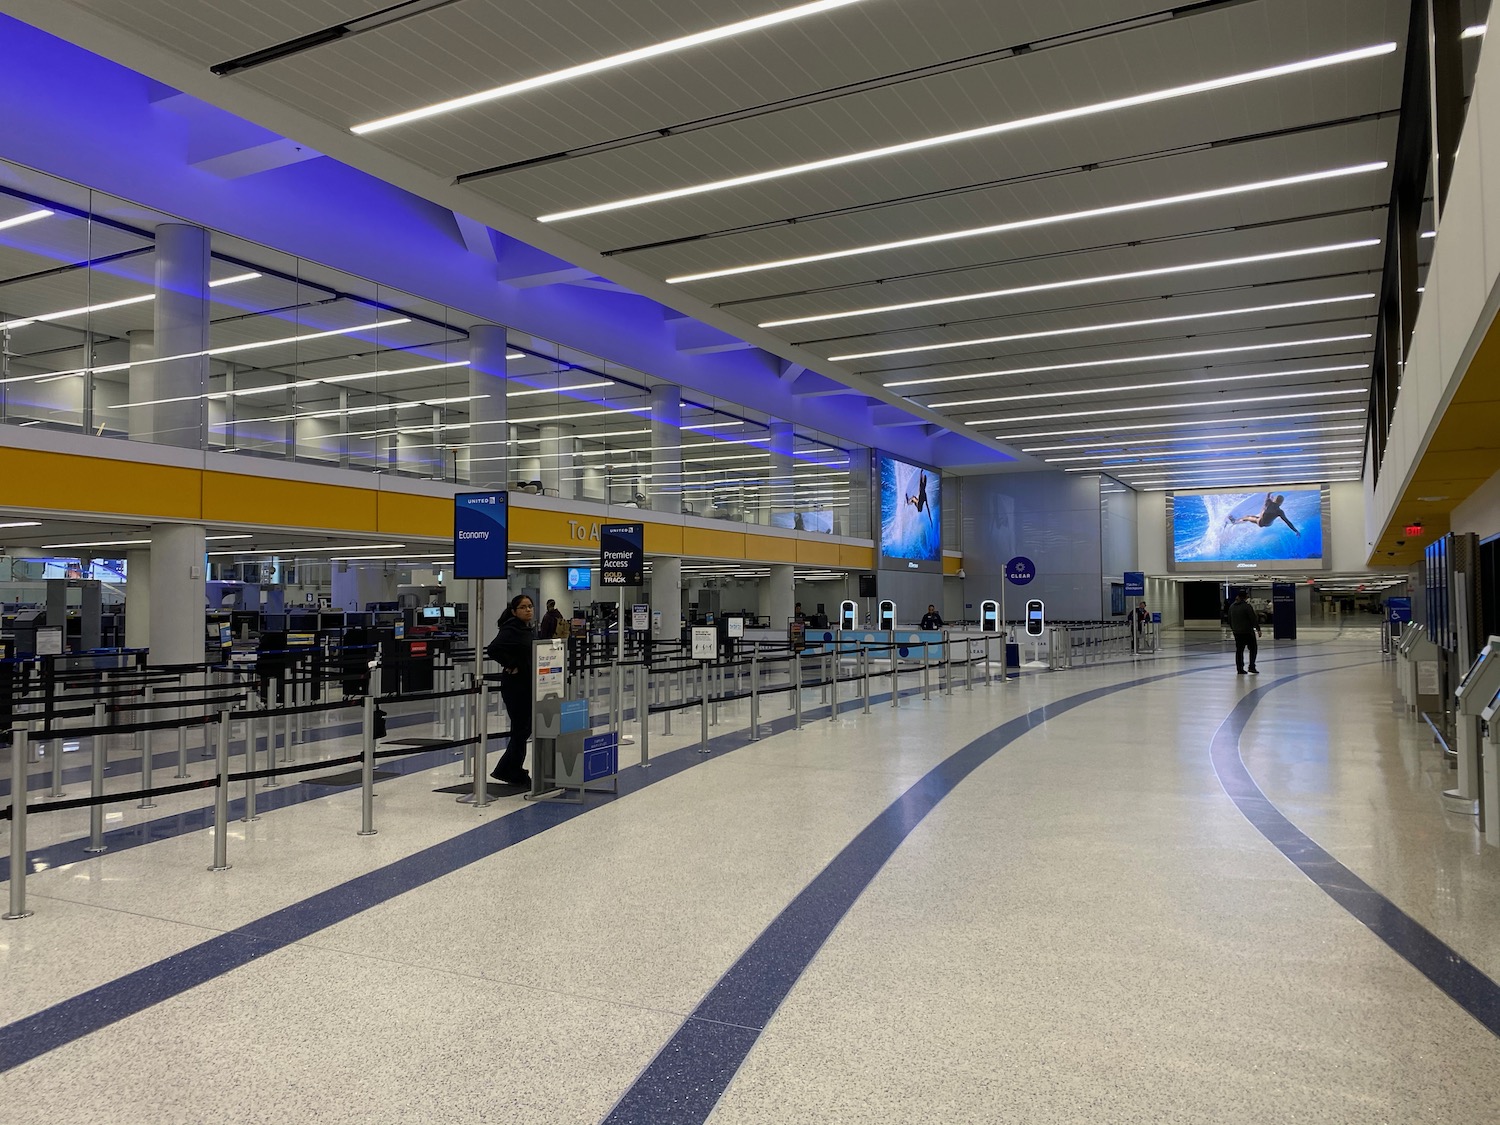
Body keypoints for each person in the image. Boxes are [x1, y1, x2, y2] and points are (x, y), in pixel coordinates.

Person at [484, 593, 535, 787]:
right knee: (521, 729)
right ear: (514, 611)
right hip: (516, 687)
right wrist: (511, 664)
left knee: (523, 729)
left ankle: (510, 768)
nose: (528, 609)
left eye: (530, 606)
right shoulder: (511, 629)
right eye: (523, 607)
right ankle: (509, 769)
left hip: (527, 684)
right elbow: (493, 649)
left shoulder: (525, 629)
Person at [1228, 492, 1300, 536]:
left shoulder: (1268, 502)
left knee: (1247, 517)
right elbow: (1288, 522)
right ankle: (1244, 521)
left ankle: (1234, 521)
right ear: (1281, 503)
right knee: (1254, 517)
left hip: (1260, 522)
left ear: (1274, 499)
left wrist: (1270, 493)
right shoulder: (1280, 511)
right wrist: (1296, 531)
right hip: (1268, 524)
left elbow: (1268, 494)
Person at [1228, 589, 1262, 675]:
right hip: (1247, 632)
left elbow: (1229, 620)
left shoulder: (1232, 606)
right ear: (1245, 597)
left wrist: (1234, 629)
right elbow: (1253, 619)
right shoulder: (1247, 607)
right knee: (1253, 649)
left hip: (1237, 632)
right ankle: (1251, 666)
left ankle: (1239, 668)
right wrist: (1258, 629)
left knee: (1239, 650)